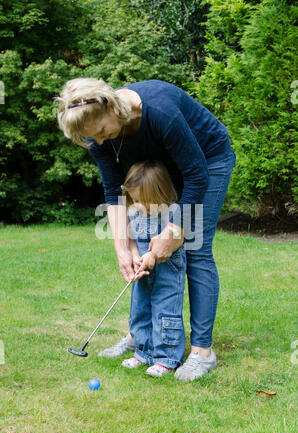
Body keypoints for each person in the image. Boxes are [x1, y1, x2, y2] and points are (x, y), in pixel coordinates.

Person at [56, 77, 236, 381]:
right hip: (163, 171)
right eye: (92, 138)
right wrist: (122, 247)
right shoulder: (97, 136)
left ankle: (203, 352)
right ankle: (141, 337)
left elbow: (196, 175)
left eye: (101, 132)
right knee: (141, 247)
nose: (100, 142)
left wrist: (174, 232)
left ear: (111, 107)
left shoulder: (160, 111)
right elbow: (114, 189)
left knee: (195, 246)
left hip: (207, 162)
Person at [119, 160, 186, 377]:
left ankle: (166, 358)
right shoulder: (135, 212)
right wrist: (136, 255)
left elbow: (177, 237)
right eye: (134, 199)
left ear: (159, 193)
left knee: (165, 311)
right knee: (140, 310)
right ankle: (143, 353)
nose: (138, 205)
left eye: (143, 200)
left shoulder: (174, 212)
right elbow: (130, 239)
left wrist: (153, 255)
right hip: (144, 273)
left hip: (168, 272)